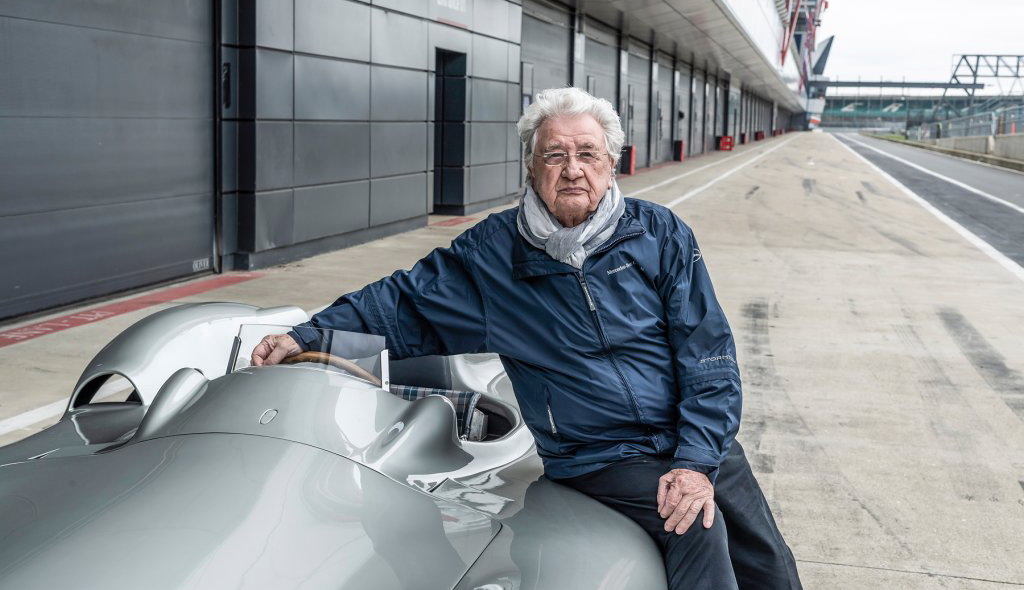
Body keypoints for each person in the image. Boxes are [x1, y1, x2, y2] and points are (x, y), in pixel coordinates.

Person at [252, 87, 801, 590]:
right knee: (696, 525)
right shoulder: (492, 255)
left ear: (612, 163)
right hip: (599, 455)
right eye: (554, 155)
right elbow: (401, 304)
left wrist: (696, 459)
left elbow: (708, 356)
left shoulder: (661, 234)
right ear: (532, 167)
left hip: (688, 434)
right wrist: (308, 333)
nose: (572, 170)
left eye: (587, 154)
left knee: (766, 559)